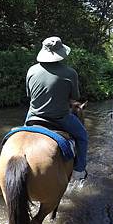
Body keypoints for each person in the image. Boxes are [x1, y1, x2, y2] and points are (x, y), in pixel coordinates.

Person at [25, 36, 88, 180]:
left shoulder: (31, 70)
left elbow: (29, 96)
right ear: (60, 53)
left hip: (33, 116)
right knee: (82, 136)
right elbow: (75, 98)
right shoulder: (70, 73)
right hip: (60, 118)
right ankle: (79, 170)